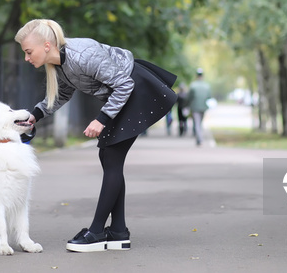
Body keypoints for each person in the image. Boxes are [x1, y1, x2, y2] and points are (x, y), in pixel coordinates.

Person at [15, 19, 177, 253]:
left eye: (29, 52)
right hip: (124, 96)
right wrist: (36, 115)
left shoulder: (83, 54)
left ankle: (97, 232)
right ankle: (118, 232)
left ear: (47, 45)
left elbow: (124, 84)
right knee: (109, 158)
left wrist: (101, 120)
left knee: (110, 157)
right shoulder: (60, 64)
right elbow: (62, 93)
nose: (27, 58)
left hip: (136, 90)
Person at [187, 68, 211, 146]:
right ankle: (199, 138)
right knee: (199, 123)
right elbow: (209, 97)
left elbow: (189, 97)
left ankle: (199, 139)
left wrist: (186, 105)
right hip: (203, 107)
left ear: (196, 75)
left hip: (195, 107)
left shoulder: (193, 85)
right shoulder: (207, 86)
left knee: (197, 123)